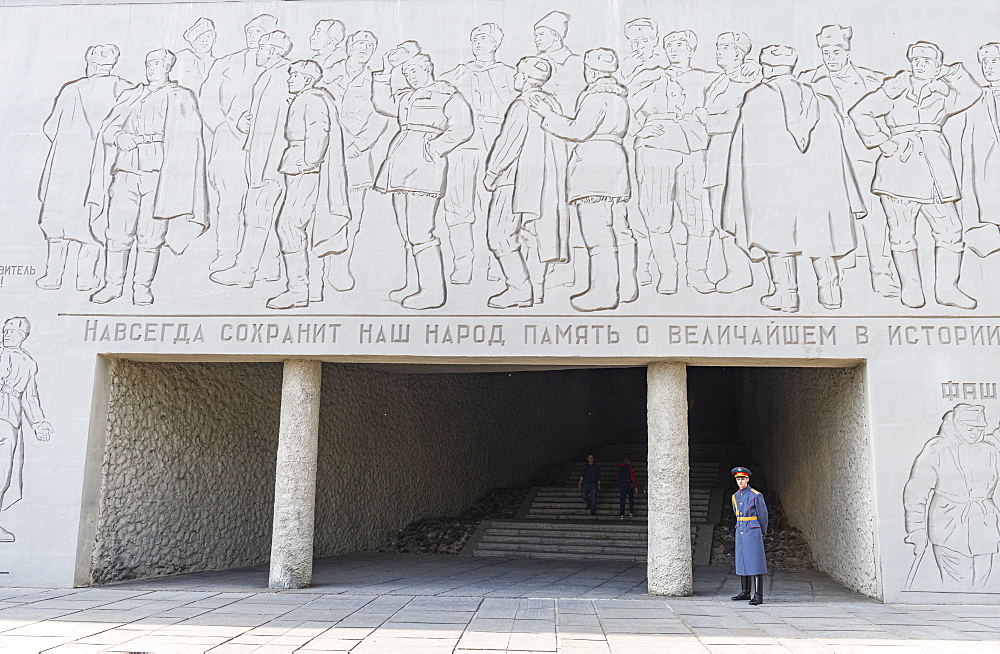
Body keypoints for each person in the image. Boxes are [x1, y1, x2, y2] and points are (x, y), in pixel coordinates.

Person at [723, 45, 864, 313]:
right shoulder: (823, 100)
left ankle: (786, 296)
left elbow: (745, 148)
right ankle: (830, 292)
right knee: (821, 235)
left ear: (767, 68)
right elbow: (838, 152)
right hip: (819, 188)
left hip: (773, 186)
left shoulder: (757, 97)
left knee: (777, 237)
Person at [850, 41, 982, 310]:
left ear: (937, 65)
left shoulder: (944, 93)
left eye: (927, 60)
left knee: (950, 230)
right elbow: (859, 112)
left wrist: (948, 74)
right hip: (899, 168)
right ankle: (910, 288)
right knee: (901, 232)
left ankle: (947, 288)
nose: (920, 64)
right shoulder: (894, 89)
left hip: (936, 171)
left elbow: (973, 91)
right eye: (916, 59)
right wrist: (882, 141)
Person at [87, 49, 208, 306]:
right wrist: (120, 137)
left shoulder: (181, 96)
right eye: (148, 63)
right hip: (126, 170)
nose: (151, 68)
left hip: (160, 175)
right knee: (118, 232)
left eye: (157, 63)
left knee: (151, 236)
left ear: (168, 67)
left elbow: (190, 138)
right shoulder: (132, 95)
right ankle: (113, 285)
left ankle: (141, 287)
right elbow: (109, 129)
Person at [799, 25, 898, 299]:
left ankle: (882, 274)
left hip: (865, 159)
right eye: (826, 51)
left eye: (837, 51)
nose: (831, 57)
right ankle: (835, 278)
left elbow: (890, 117)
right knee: (830, 218)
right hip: (825, 161)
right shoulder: (807, 81)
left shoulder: (872, 80)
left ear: (848, 50)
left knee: (875, 217)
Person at [372, 47, 474, 310]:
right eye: (406, 72)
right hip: (399, 164)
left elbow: (463, 127)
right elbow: (382, 104)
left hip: (424, 165)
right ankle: (413, 284)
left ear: (428, 68)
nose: (410, 76)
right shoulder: (405, 96)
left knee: (420, 231)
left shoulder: (446, 94)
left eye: (414, 70)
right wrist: (384, 74)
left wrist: (435, 148)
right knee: (407, 231)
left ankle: (432, 292)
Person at [530, 48, 632, 312]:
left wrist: (546, 114)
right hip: (615, 158)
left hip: (595, 162)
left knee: (597, 230)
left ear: (592, 70)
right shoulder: (618, 97)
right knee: (618, 226)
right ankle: (627, 287)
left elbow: (579, 130)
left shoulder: (596, 97)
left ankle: (604, 292)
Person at [36, 44, 130, 294]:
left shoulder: (72, 89)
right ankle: (85, 278)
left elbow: (50, 128)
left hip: (66, 167)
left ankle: (54, 275)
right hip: (100, 166)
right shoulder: (124, 88)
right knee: (93, 220)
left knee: (59, 223)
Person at [210, 30, 293, 290]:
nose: (257, 51)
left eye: (262, 48)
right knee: (261, 212)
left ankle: (246, 272)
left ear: (274, 51)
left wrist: (262, 166)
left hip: (269, 158)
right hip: (263, 156)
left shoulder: (279, 75)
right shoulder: (272, 74)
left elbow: (277, 121)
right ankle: (267, 267)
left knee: (258, 212)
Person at [483, 55, 568, 307]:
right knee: (534, 235)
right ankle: (537, 292)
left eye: (518, 72)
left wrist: (492, 172)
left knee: (500, 234)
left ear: (526, 78)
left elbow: (509, 143)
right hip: (545, 181)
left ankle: (519, 289)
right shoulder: (553, 103)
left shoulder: (522, 104)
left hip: (514, 179)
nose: (514, 76)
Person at [268, 60, 351, 310]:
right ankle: (311, 291)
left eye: (294, 75)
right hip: (298, 164)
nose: (290, 79)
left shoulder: (311, 100)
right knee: (300, 227)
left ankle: (298, 291)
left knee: (289, 226)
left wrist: (308, 162)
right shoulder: (307, 98)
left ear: (306, 79)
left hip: (305, 167)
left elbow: (319, 131)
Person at [200, 13, 277, 273]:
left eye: (261, 32)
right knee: (229, 203)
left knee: (262, 205)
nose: (254, 37)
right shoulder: (226, 63)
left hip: (265, 146)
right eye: (251, 31)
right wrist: (226, 126)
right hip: (229, 143)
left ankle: (264, 260)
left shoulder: (281, 66)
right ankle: (226, 253)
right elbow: (208, 100)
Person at [440, 23, 515, 285]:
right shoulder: (456, 73)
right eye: (474, 39)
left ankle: (498, 262)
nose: (477, 43)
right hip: (463, 144)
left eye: (483, 39)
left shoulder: (509, 74)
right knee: (458, 204)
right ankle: (463, 263)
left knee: (495, 205)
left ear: (496, 43)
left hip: (496, 142)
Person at [903, 403, 1000, 589]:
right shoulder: (936, 449)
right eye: (969, 428)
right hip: (947, 527)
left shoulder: (991, 451)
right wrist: (916, 530)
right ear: (957, 424)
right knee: (958, 585)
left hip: (985, 527)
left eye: (979, 428)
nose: (974, 433)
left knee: (982, 583)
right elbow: (916, 492)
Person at [324, 30, 389, 292]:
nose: (363, 48)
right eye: (358, 43)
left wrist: (360, 143)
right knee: (323, 210)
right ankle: (318, 269)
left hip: (357, 155)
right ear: (348, 46)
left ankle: (340, 266)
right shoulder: (327, 72)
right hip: (325, 152)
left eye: (369, 45)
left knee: (353, 214)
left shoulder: (377, 80)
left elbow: (382, 115)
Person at [703, 32, 761, 294]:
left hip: (736, 154)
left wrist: (705, 119)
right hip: (717, 154)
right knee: (719, 217)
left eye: (724, 48)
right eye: (718, 46)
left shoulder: (747, 81)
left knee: (735, 216)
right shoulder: (719, 81)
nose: (718, 51)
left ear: (738, 53)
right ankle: (735, 270)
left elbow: (740, 119)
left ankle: (740, 272)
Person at [0, 318, 53, 543]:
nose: (7, 334)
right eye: (5, 330)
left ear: (23, 336)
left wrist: (39, 423)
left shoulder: (28, 363)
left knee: (3, 473)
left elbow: (30, 397)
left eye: (12, 331)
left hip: (8, 417)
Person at [730, 466, 768, 605]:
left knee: (756, 562)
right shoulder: (735, 496)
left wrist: (762, 530)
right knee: (743, 560)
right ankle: (745, 592)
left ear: (748, 479)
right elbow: (736, 513)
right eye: (738, 479)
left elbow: (762, 515)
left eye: (743, 479)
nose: (740, 481)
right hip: (740, 529)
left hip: (752, 530)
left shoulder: (755, 495)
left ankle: (758, 594)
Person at [172, 17, 217, 93]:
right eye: (199, 37)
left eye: (208, 36)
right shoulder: (183, 57)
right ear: (193, 41)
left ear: (214, 38)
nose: (204, 40)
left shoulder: (217, 63)